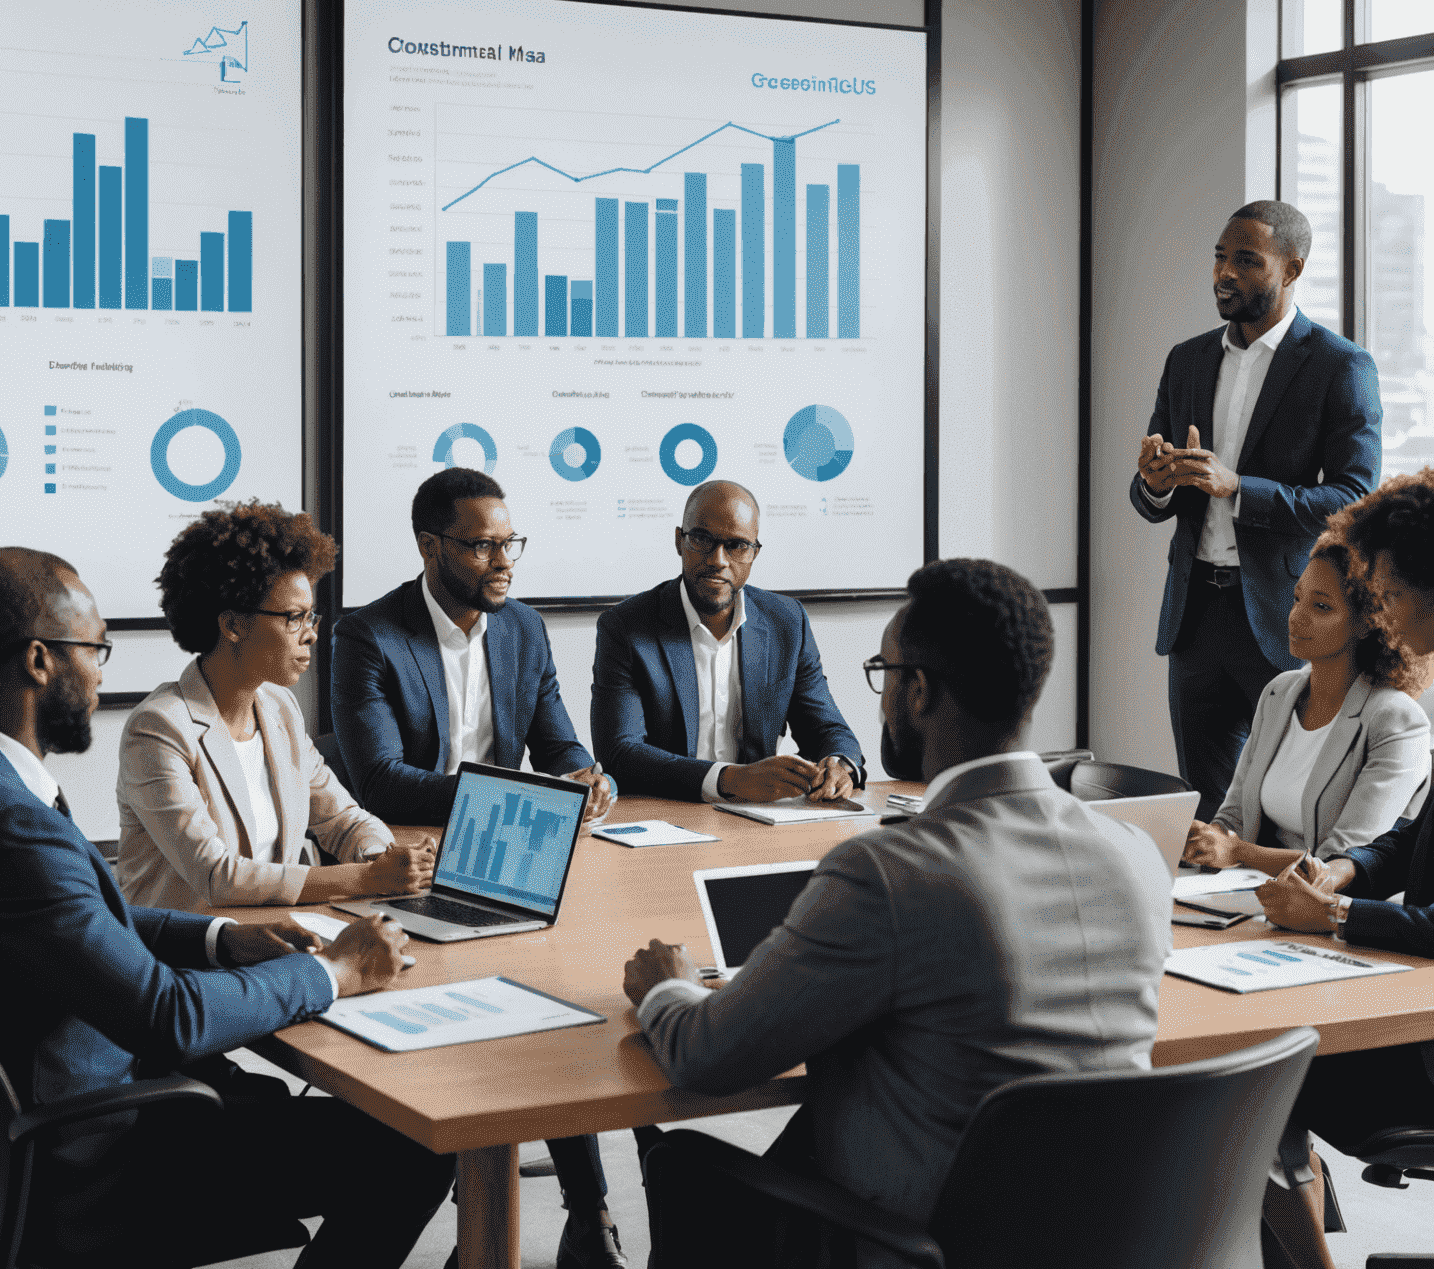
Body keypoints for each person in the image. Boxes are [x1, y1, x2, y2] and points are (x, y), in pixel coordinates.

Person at [0, 547, 452, 1268]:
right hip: (97, 1158)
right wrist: (334, 976)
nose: (102, 671)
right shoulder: (13, 824)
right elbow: (171, 1016)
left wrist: (224, 940)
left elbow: (80, 918)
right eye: (95, 648)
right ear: (39, 661)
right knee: (410, 1147)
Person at [624, 559, 1172, 1268]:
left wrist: (668, 987)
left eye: (884, 674)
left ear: (917, 690)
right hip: (1109, 1235)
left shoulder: (887, 874)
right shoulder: (1134, 854)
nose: (881, 698)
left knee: (685, 1166)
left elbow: (707, 1056)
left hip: (923, 1242)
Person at [330, 466, 625, 1269]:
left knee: (562, 992)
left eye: (509, 543)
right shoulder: (368, 634)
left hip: (508, 856)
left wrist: (584, 779)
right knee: (534, 996)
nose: (503, 561)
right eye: (483, 545)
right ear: (431, 546)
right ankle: (569, 1214)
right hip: (408, 865)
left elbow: (560, 741)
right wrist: (511, 794)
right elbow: (378, 779)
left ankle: (587, 1214)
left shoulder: (523, 629)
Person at [1130, 200, 1382, 820]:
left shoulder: (1339, 366)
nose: (1225, 272)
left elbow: (1355, 497)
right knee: (1209, 809)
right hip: (1195, 617)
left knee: (1292, 805)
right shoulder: (1186, 360)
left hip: (1290, 615)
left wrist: (1240, 487)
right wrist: (1156, 482)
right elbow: (1152, 499)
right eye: (1220, 256)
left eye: (1246, 259)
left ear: (1291, 268)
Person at [1249, 470, 1434, 1269]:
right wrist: (1348, 872)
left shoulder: (1396, 713)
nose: (1381, 605)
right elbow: (1410, 838)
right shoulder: (1279, 692)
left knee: (1255, 1066)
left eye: (1389, 587)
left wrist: (1334, 919)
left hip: (1423, 1040)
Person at [118, 502, 434, 913]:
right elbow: (218, 876)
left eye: (311, 617)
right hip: (186, 955)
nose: (311, 635)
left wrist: (385, 858)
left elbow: (343, 820)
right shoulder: (158, 728)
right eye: (294, 618)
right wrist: (366, 878)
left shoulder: (279, 709)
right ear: (233, 625)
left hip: (273, 938)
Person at [591, 479, 864, 802]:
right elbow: (620, 753)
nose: (719, 559)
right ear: (679, 541)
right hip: (666, 816)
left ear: (754, 553)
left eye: (737, 546)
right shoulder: (626, 626)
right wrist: (728, 779)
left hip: (758, 820)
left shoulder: (787, 622)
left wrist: (839, 765)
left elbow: (827, 729)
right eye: (702, 539)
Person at [1183, 533, 1429, 878]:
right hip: (1244, 890)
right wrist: (1205, 838)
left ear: (1366, 621)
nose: (1296, 617)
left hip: (1326, 909)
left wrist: (1238, 851)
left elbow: (1343, 862)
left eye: (1321, 606)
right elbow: (1234, 816)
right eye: (1296, 599)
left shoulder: (1396, 721)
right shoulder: (1279, 694)